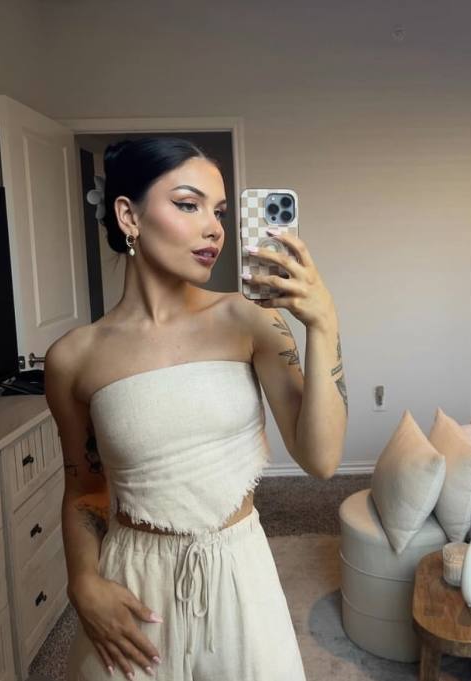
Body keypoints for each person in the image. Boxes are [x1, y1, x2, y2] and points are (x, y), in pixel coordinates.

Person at [44, 137, 347, 680]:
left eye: (220, 212)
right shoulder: (73, 359)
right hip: (132, 585)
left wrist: (323, 324)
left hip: (238, 575)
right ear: (128, 216)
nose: (214, 229)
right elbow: (84, 490)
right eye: (189, 204)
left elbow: (321, 460)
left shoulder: (249, 320)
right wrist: (82, 581)